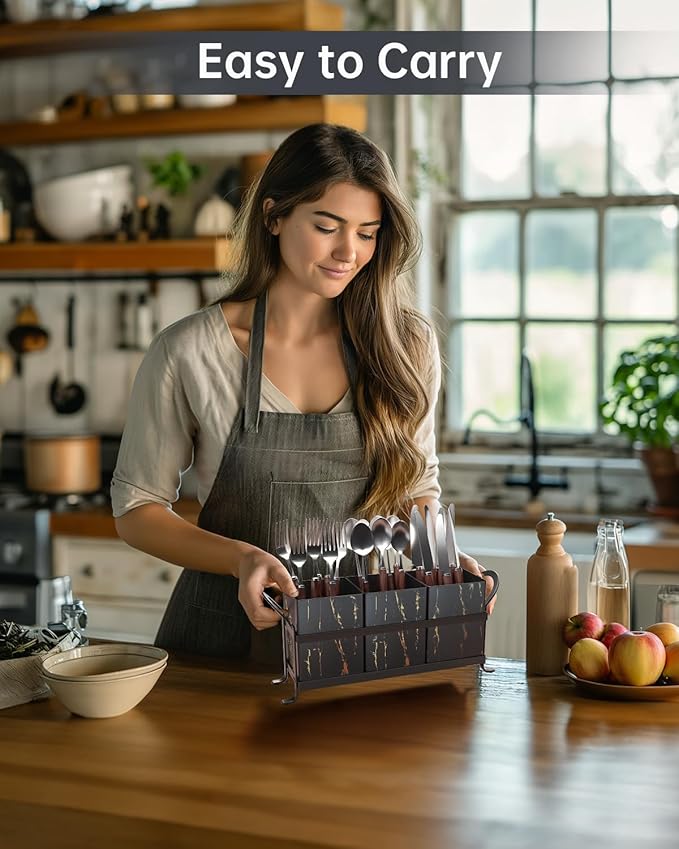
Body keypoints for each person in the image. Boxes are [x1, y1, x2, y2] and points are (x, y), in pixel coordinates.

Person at [112, 122, 494, 663]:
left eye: (367, 232)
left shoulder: (405, 343)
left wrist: (444, 559)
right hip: (222, 647)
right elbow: (136, 509)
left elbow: (415, 487)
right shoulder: (191, 351)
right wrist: (241, 558)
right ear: (273, 216)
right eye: (326, 226)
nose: (349, 252)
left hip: (359, 641)